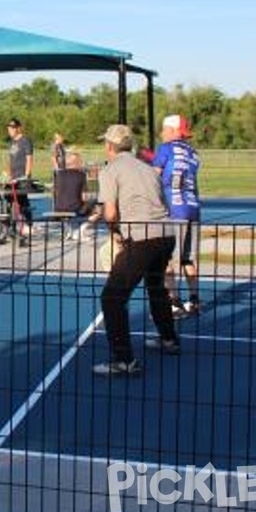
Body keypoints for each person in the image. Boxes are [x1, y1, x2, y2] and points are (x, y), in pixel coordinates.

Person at [92, 124, 180, 377]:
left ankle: (124, 359)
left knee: (112, 297)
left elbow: (109, 213)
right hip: (165, 234)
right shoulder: (147, 167)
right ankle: (168, 338)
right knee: (156, 286)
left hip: (141, 236)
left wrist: (116, 234)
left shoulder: (111, 170)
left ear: (109, 146)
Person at [152, 114, 203, 317]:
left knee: (168, 259)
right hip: (194, 208)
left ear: (173, 130)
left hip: (175, 208)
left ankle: (173, 301)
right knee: (188, 258)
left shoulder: (165, 149)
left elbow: (155, 175)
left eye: (164, 129)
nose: (162, 133)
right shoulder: (193, 153)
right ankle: (194, 299)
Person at [53, 149, 99, 239]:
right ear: (77, 163)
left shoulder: (59, 174)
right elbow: (84, 196)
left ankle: (68, 230)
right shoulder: (81, 175)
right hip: (75, 208)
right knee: (98, 209)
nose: (81, 163)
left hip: (58, 207)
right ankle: (80, 231)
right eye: (80, 161)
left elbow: (55, 192)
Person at [5, 118, 35, 246]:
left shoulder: (25, 141)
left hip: (21, 177)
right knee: (8, 200)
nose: (10, 130)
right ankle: (11, 228)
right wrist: (7, 174)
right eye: (9, 128)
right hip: (12, 177)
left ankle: (28, 226)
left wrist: (26, 176)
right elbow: (10, 159)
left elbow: (29, 159)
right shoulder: (11, 142)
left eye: (12, 128)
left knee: (22, 202)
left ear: (18, 128)